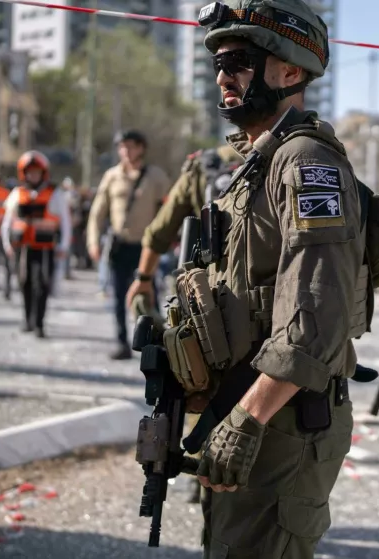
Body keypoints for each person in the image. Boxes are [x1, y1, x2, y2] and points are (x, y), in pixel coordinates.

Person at [178, 1, 372, 555]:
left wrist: (248, 418)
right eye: (217, 63)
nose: (223, 76)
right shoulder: (257, 165)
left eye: (238, 60)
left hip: (280, 421)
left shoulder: (308, 162)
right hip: (250, 410)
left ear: (290, 71)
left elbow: (317, 313)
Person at [124, 143, 243, 504]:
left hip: (202, 301)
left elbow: (160, 232)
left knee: (198, 384)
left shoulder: (200, 169)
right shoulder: (273, 160)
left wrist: (143, 278)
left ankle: (202, 470)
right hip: (251, 304)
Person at [85, 130, 170, 360]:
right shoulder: (112, 177)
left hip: (146, 248)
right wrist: (93, 241)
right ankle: (122, 341)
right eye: (122, 147)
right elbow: (97, 213)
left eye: (130, 146)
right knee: (119, 295)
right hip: (119, 246)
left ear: (141, 148)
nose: (126, 151)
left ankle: (155, 342)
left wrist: (169, 238)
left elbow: (168, 209)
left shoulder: (156, 177)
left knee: (149, 293)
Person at [1, 151, 72, 338]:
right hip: (23, 248)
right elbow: (7, 222)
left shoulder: (55, 194)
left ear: (43, 173)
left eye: (36, 172)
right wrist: (7, 243)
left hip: (45, 248)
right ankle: (27, 320)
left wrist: (64, 245)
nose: (33, 176)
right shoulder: (17, 193)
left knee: (42, 284)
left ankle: (39, 323)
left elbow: (65, 221)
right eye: (29, 172)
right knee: (24, 283)